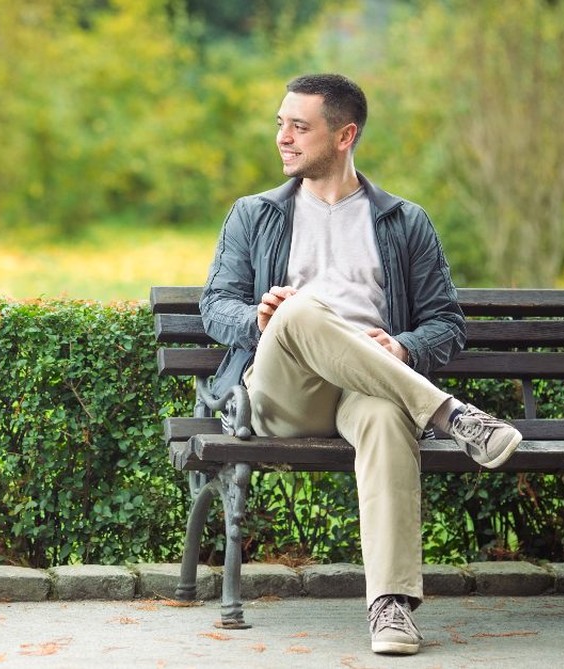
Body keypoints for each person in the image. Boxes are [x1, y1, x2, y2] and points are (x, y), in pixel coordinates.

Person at [199, 73, 522, 656]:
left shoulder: (403, 222)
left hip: (363, 386)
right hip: (283, 392)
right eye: (281, 124)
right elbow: (214, 306)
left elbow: (446, 323)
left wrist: (402, 348)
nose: (283, 138)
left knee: (385, 414)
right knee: (297, 309)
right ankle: (451, 414)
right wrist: (259, 318)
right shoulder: (254, 215)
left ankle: (391, 607)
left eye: (300, 127)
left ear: (344, 135)